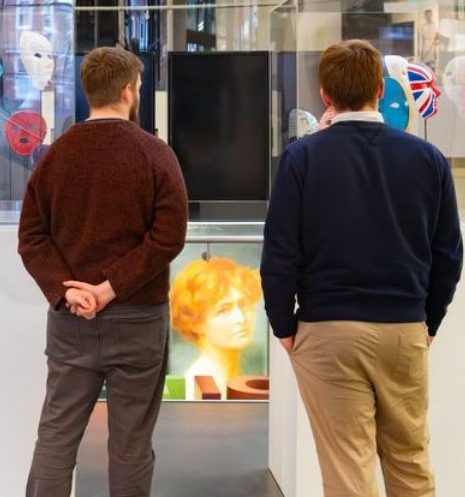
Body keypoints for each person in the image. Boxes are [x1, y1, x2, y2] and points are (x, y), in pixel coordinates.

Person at [261, 39, 462, 497]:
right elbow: (448, 252)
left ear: (324, 95)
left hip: (328, 329)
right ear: (380, 88)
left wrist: (283, 325)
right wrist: (427, 320)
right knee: (410, 460)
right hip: (403, 329)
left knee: (347, 470)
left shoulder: (302, 158)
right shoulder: (427, 159)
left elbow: (279, 252)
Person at [18, 46, 188, 497]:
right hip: (140, 319)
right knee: (132, 446)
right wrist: (112, 288)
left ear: (87, 91)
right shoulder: (156, 154)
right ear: (130, 91)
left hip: (71, 319)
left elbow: (32, 239)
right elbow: (168, 238)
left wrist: (68, 291)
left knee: (56, 439)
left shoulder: (53, 158)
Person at [169, 257, 262, 399]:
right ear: (196, 323)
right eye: (224, 310)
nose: (240, 319)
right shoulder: (196, 387)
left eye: (243, 304)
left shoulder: (234, 376)